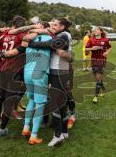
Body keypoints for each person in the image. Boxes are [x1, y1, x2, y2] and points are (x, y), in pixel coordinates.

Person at [2, 22, 52, 145]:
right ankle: (34, 135)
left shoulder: (28, 37)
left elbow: (21, 37)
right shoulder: (50, 36)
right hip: (40, 71)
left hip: (28, 72)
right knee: (40, 104)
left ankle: (26, 128)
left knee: (31, 101)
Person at [27, 18, 73, 147]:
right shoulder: (63, 34)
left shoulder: (63, 35)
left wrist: (32, 44)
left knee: (54, 104)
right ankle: (64, 131)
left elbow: (51, 44)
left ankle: (57, 135)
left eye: (55, 24)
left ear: (63, 26)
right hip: (61, 72)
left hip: (57, 72)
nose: (52, 26)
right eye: (52, 24)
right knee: (61, 104)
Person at [0, 16, 27, 136]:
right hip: (14, 69)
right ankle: (2, 127)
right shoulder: (23, 35)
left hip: (1, 65)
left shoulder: (5, 33)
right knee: (7, 97)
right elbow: (19, 49)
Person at [85, 27, 112, 104]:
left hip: (102, 60)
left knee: (98, 78)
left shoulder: (105, 40)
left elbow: (110, 47)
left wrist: (107, 53)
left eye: (97, 30)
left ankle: (95, 97)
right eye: (95, 30)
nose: (95, 31)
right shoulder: (91, 40)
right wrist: (92, 48)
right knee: (98, 78)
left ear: (100, 32)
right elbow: (86, 49)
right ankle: (103, 88)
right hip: (93, 60)